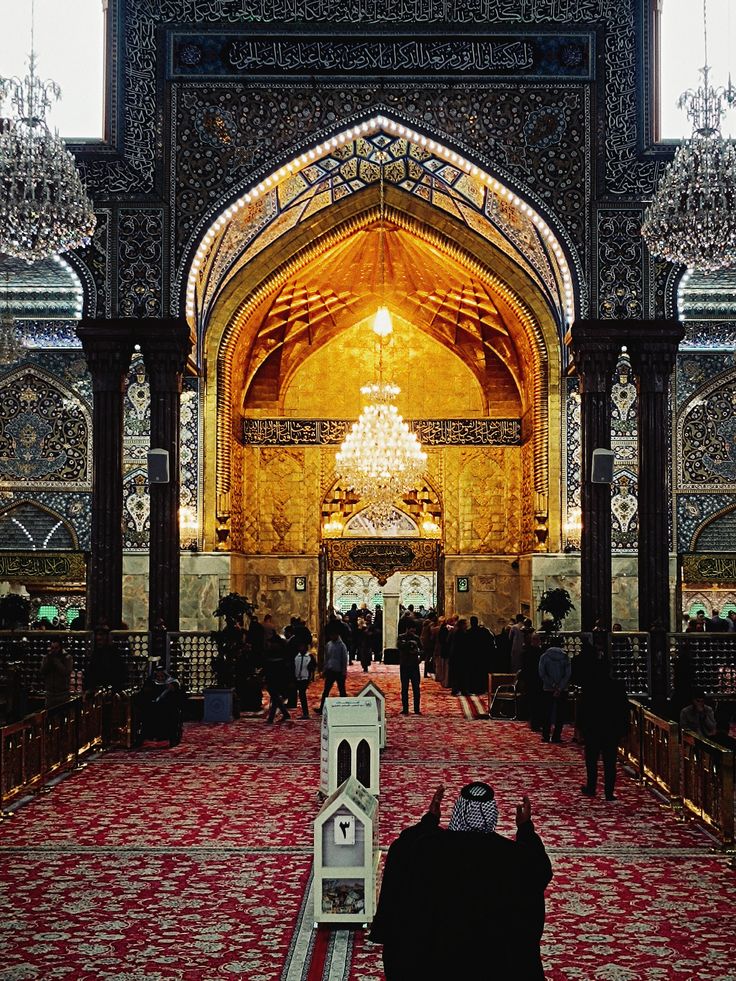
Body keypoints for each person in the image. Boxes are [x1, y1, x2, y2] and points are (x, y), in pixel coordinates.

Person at [370, 782, 552, 980]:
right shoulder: (512, 856)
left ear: (459, 810)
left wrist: (429, 820)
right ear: (492, 813)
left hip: (435, 965)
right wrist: (525, 829)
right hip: (493, 965)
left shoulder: (427, 848)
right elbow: (539, 869)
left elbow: (401, 851)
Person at [578, 659, 630, 801]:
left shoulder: (589, 686)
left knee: (591, 761)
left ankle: (591, 787)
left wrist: (580, 728)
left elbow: (582, 709)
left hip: (592, 728)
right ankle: (609, 792)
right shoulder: (617, 686)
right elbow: (624, 710)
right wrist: (625, 730)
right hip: (611, 729)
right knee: (610, 762)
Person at [138, 662, 184, 746]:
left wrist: (172, 689)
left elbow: (178, 696)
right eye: (158, 675)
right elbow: (144, 693)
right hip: (152, 707)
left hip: (168, 708)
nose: (160, 677)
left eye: (162, 675)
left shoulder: (173, 682)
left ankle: (172, 738)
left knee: (171, 715)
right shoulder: (150, 682)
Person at [538, 645, 571, 743]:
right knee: (560, 714)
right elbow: (567, 674)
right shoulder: (565, 657)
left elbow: (542, 673)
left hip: (548, 688)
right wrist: (560, 687)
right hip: (562, 689)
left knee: (546, 713)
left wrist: (552, 684)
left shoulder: (544, 656)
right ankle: (556, 736)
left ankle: (546, 735)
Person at [83, 626, 127, 693]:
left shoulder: (114, 654)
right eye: (97, 635)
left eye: (101, 635)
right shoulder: (95, 653)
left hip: (111, 690)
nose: (98, 638)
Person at [316, 626, 348, 713]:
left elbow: (344, 659)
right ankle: (322, 708)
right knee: (326, 691)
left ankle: (345, 708)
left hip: (339, 671)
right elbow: (326, 658)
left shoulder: (342, 646)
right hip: (330, 671)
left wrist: (344, 672)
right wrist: (325, 669)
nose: (332, 637)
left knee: (342, 691)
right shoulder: (329, 644)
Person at [263, 636, 291, 723]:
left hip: (279, 677)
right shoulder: (269, 652)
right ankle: (285, 714)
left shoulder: (282, 653)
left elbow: (286, 667)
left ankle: (271, 718)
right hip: (271, 677)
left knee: (275, 697)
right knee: (275, 697)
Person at [41, 638, 73, 708]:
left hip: (63, 694)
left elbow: (66, 672)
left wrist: (56, 661)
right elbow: (42, 672)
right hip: (50, 694)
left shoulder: (67, 658)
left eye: (56, 648)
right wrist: (48, 662)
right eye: (52, 648)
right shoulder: (46, 657)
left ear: (60, 648)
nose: (54, 650)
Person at [397, 623, 422, 715]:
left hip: (414, 665)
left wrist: (420, 657)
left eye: (414, 630)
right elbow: (400, 646)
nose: (413, 631)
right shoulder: (401, 637)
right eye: (411, 629)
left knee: (416, 688)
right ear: (407, 629)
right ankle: (405, 709)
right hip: (404, 665)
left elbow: (422, 649)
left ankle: (416, 709)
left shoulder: (416, 638)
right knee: (404, 688)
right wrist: (409, 644)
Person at [293, 637, 316, 719]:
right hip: (297, 678)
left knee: (302, 694)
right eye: (300, 646)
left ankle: (306, 713)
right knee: (301, 695)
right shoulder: (296, 657)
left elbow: (313, 667)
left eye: (302, 646)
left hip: (305, 678)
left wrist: (311, 677)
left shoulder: (309, 656)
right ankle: (305, 713)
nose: (301, 648)